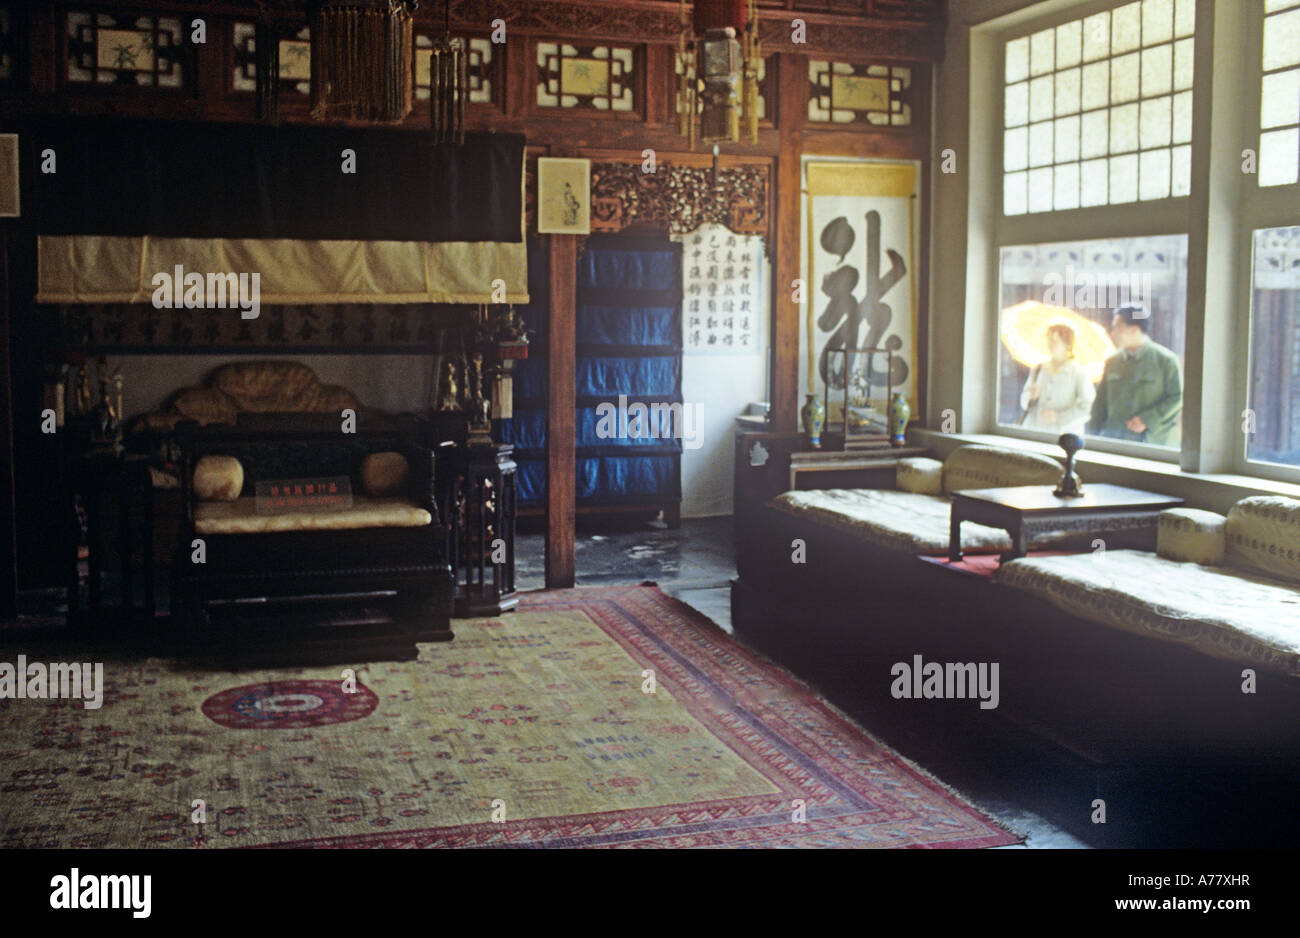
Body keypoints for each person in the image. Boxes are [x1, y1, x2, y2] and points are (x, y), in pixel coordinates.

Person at [1088, 305, 1182, 446]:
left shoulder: (1166, 360)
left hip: (1153, 442)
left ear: (1134, 330)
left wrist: (1147, 420)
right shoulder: (1112, 362)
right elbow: (1100, 404)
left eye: (1118, 328)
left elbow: (1177, 398)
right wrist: (1092, 437)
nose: (1113, 334)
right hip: (1114, 440)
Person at [1019, 323, 1095, 436]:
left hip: (1063, 435)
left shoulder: (1079, 373)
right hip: (1034, 432)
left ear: (1067, 345)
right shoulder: (1039, 369)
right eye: (1048, 339)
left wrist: (1058, 417)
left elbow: (1088, 408)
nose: (1050, 344)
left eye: (1055, 341)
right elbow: (1024, 403)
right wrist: (1031, 396)